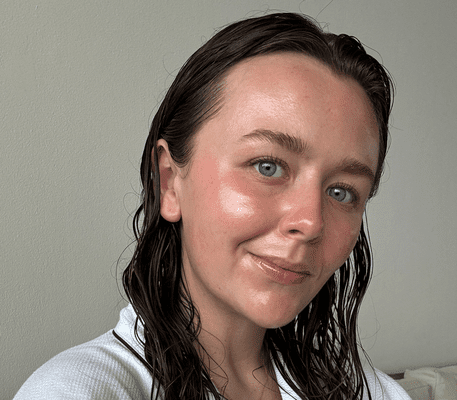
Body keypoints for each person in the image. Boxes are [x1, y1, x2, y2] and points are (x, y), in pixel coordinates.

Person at [14, 12, 410, 400]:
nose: (310, 222)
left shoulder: (373, 393)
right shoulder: (75, 390)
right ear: (169, 181)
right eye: (267, 166)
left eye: (342, 192)